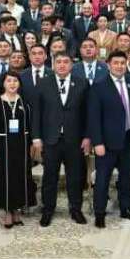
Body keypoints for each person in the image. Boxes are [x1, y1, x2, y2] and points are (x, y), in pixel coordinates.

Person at [32, 53, 91, 226]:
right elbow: (37, 112)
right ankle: (48, 210)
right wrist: (36, 137)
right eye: (58, 62)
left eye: (66, 62)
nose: (62, 65)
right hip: (51, 139)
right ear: (53, 64)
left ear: (72, 65)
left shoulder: (82, 83)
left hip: (75, 139)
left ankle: (76, 209)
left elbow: (88, 113)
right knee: (50, 177)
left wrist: (87, 136)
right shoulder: (43, 83)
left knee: (75, 177)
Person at [86, 50, 130, 227]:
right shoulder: (99, 86)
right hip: (107, 143)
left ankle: (126, 209)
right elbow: (93, 117)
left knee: (125, 178)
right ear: (108, 65)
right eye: (116, 63)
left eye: (122, 63)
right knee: (102, 179)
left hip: (128, 140)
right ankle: (100, 213)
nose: (119, 66)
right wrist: (97, 142)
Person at [0, 72, 34, 228]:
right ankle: (7, 213)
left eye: (15, 81)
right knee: (5, 178)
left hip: (22, 146)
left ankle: (17, 212)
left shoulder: (24, 102)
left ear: (19, 84)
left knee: (20, 177)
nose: (12, 84)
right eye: (9, 81)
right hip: (2, 146)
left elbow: (30, 125)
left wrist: (32, 144)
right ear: (3, 84)